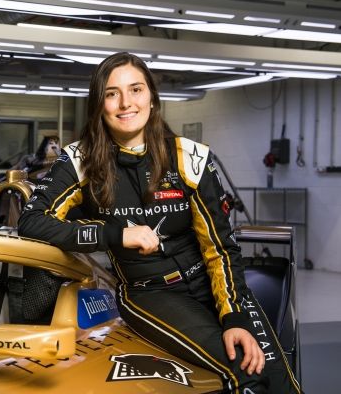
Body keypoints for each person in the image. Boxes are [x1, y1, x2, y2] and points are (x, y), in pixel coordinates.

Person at [17, 52, 302, 394]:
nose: (126, 103)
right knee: (246, 370)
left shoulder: (189, 157)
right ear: (100, 104)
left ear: (151, 97)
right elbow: (32, 221)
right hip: (150, 293)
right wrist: (115, 235)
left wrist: (235, 317)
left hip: (209, 281)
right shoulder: (79, 159)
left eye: (136, 89)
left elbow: (221, 248)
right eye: (112, 93)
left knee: (281, 382)